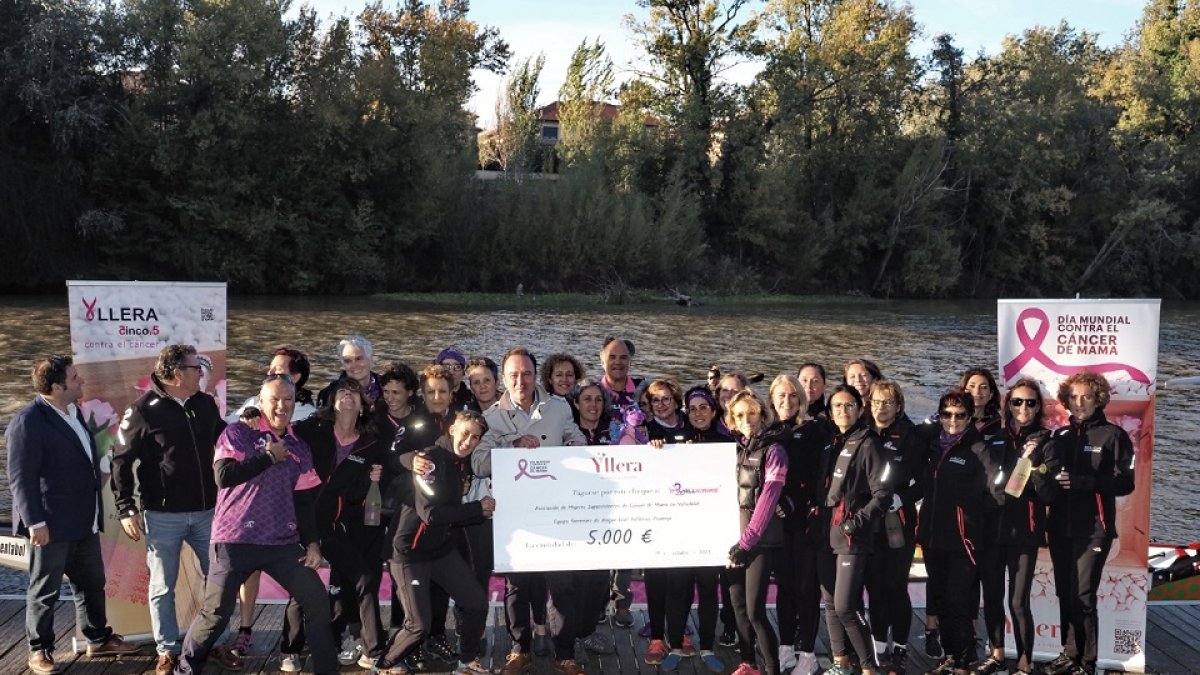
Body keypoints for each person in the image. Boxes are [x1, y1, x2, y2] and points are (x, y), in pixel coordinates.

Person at [176, 373, 337, 675]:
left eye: (288, 399)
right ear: (260, 402)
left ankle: (328, 670)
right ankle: (185, 669)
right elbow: (223, 477)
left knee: (316, 599)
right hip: (234, 540)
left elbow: (304, 503)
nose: (282, 406)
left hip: (281, 543)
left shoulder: (298, 446)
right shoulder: (238, 433)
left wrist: (313, 543)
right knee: (216, 615)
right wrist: (267, 457)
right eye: (274, 399)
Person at [7, 355, 140, 675]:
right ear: (56, 386)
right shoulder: (28, 421)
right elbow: (20, 478)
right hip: (50, 524)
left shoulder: (72, 411)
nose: (81, 380)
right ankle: (39, 650)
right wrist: (35, 523)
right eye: (74, 376)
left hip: (83, 519)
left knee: (92, 582)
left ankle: (98, 638)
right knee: (45, 589)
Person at [472, 347, 600, 675]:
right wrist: (510, 447)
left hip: (556, 509)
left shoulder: (558, 407)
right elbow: (478, 463)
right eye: (513, 374)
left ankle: (565, 653)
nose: (521, 380)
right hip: (516, 515)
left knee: (562, 585)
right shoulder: (491, 417)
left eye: (526, 373)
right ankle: (520, 650)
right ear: (504, 378)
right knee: (517, 586)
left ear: (534, 375)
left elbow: (574, 437)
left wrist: (576, 447)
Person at [109, 344, 224, 675]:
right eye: (194, 367)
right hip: (162, 516)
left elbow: (225, 440)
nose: (201, 372)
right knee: (162, 587)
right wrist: (126, 507)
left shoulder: (205, 403)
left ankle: (213, 643)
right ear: (176, 374)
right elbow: (120, 461)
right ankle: (168, 650)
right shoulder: (143, 410)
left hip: (208, 512)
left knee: (220, 581)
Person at [373, 411, 495, 675]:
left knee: (476, 603)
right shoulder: (429, 460)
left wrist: (478, 512)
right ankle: (383, 665)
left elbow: (449, 515)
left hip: (439, 549)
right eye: (465, 434)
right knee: (418, 626)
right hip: (408, 553)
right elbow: (431, 515)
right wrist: (476, 509)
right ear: (452, 429)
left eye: (475, 438)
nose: (469, 442)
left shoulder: (459, 462)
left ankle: (466, 663)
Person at [222, 347, 317, 659]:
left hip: (288, 504)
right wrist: (250, 419)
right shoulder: (254, 404)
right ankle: (245, 629)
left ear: (298, 377)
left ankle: (293, 642)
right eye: (271, 369)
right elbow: (231, 440)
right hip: (251, 507)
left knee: (300, 579)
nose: (273, 373)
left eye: (282, 370)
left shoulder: (308, 408)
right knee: (245, 575)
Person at [1040, 371, 1135, 675]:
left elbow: (1125, 484)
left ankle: (1087, 662)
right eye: (1074, 397)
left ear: (1098, 399)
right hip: (1059, 527)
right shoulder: (1059, 436)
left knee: (1083, 595)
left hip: (1094, 530)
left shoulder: (1113, 436)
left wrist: (1082, 482)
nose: (1079, 403)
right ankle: (1069, 654)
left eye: (1086, 397)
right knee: (1064, 592)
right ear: (1066, 401)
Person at [289, 377, 386, 670]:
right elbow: (278, 426)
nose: (348, 396)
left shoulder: (370, 444)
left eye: (355, 394)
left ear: (362, 406)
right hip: (300, 525)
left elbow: (357, 496)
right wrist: (252, 419)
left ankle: (373, 649)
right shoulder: (311, 430)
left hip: (333, 528)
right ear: (332, 401)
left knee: (364, 580)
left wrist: (372, 480)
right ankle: (289, 649)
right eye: (342, 391)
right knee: (302, 588)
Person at [980, 378, 1053, 675]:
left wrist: (1035, 467)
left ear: (1039, 407)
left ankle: (1025, 661)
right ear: (1007, 405)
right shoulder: (993, 436)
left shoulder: (1047, 439)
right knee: (994, 595)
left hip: (1025, 530)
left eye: (1030, 402)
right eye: (1017, 402)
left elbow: (1049, 493)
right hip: (992, 529)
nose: (1023, 408)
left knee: (1018, 601)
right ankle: (997, 654)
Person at [818, 385, 889, 675]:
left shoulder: (868, 443)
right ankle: (840, 663)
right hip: (825, 534)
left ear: (860, 410)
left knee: (847, 607)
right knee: (832, 604)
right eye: (836, 406)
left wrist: (854, 522)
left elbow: (882, 494)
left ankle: (870, 668)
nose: (842, 411)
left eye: (849, 406)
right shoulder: (832, 440)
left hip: (851, 536)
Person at [918, 388, 989, 675]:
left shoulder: (978, 448)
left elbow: (995, 493)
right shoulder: (934, 445)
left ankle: (961, 662)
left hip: (964, 540)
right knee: (941, 600)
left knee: (958, 602)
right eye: (947, 414)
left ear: (970, 417)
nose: (953, 420)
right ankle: (951, 655)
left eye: (960, 415)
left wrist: (972, 521)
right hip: (933, 537)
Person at [862, 380, 928, 675]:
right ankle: (878, 649)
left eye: (887, 402)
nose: (881, 407)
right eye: (876, 401)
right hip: (868, 520)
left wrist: (904, 498)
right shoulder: (862, 432)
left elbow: (926, 480)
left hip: (898, 520)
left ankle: (900, 647)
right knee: (875, 588)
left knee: (896, 587)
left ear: (898, 406)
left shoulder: (910, 436)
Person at [723, 389, 788, 675]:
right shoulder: (738, 448)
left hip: (760, 541)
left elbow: (769, 497)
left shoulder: (774, 450)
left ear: (763, 414)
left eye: (752, 413)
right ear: (732, 421)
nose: (746, 419)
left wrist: (747, 541)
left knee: (755, 611)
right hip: (735, 538)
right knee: (737, 604)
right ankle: (748, 663)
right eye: (740, 415)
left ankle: (772, 669)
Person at [226, 347, 317, 423]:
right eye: (270, 368)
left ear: (295, 378)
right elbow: (226, 424)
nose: (269, 372)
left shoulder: (306, 413)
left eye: (277, 369)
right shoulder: (254, 401)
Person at [317, 335, 381, 409]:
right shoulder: (327, 395)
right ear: (343, 364)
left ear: (370, 359)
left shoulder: (387, 388)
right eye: (348, 361)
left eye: (358, 359)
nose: (354, 365)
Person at [646, 378, 689, 443]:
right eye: (655, 400)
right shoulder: (647, 430)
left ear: (676, 403)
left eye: (666, 399)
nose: (660, 405)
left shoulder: (691, 421)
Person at [436, 347, 477, 412]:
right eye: (446, 366)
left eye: (457, 367)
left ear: (463, 372)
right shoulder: (429, 398)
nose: (452, 372)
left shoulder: (474, 400)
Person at [573, 377, 612, 445]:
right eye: (587, 399)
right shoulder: (568, 433)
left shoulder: (615, 431)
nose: (593, 404)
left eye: (598, 399)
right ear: (576, 403)